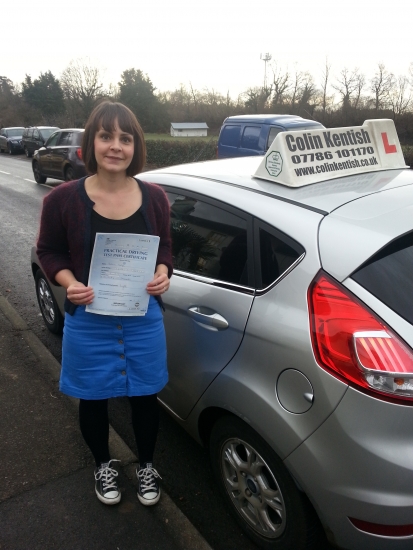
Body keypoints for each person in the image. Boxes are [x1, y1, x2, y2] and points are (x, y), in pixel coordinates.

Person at [36, 101, 173, 507]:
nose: (116, 146)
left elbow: (165, 249)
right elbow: (48, 251)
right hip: (89, 318)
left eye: (125, 138)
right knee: (92, 398)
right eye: (106, 136)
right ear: (91, 142)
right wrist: (69, 282)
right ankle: (103, 464)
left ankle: (146, 464)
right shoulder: (61, 200)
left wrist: (164, 272)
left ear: (136, 147)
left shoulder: (155, 198)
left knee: (145, 398)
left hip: (142, 318)